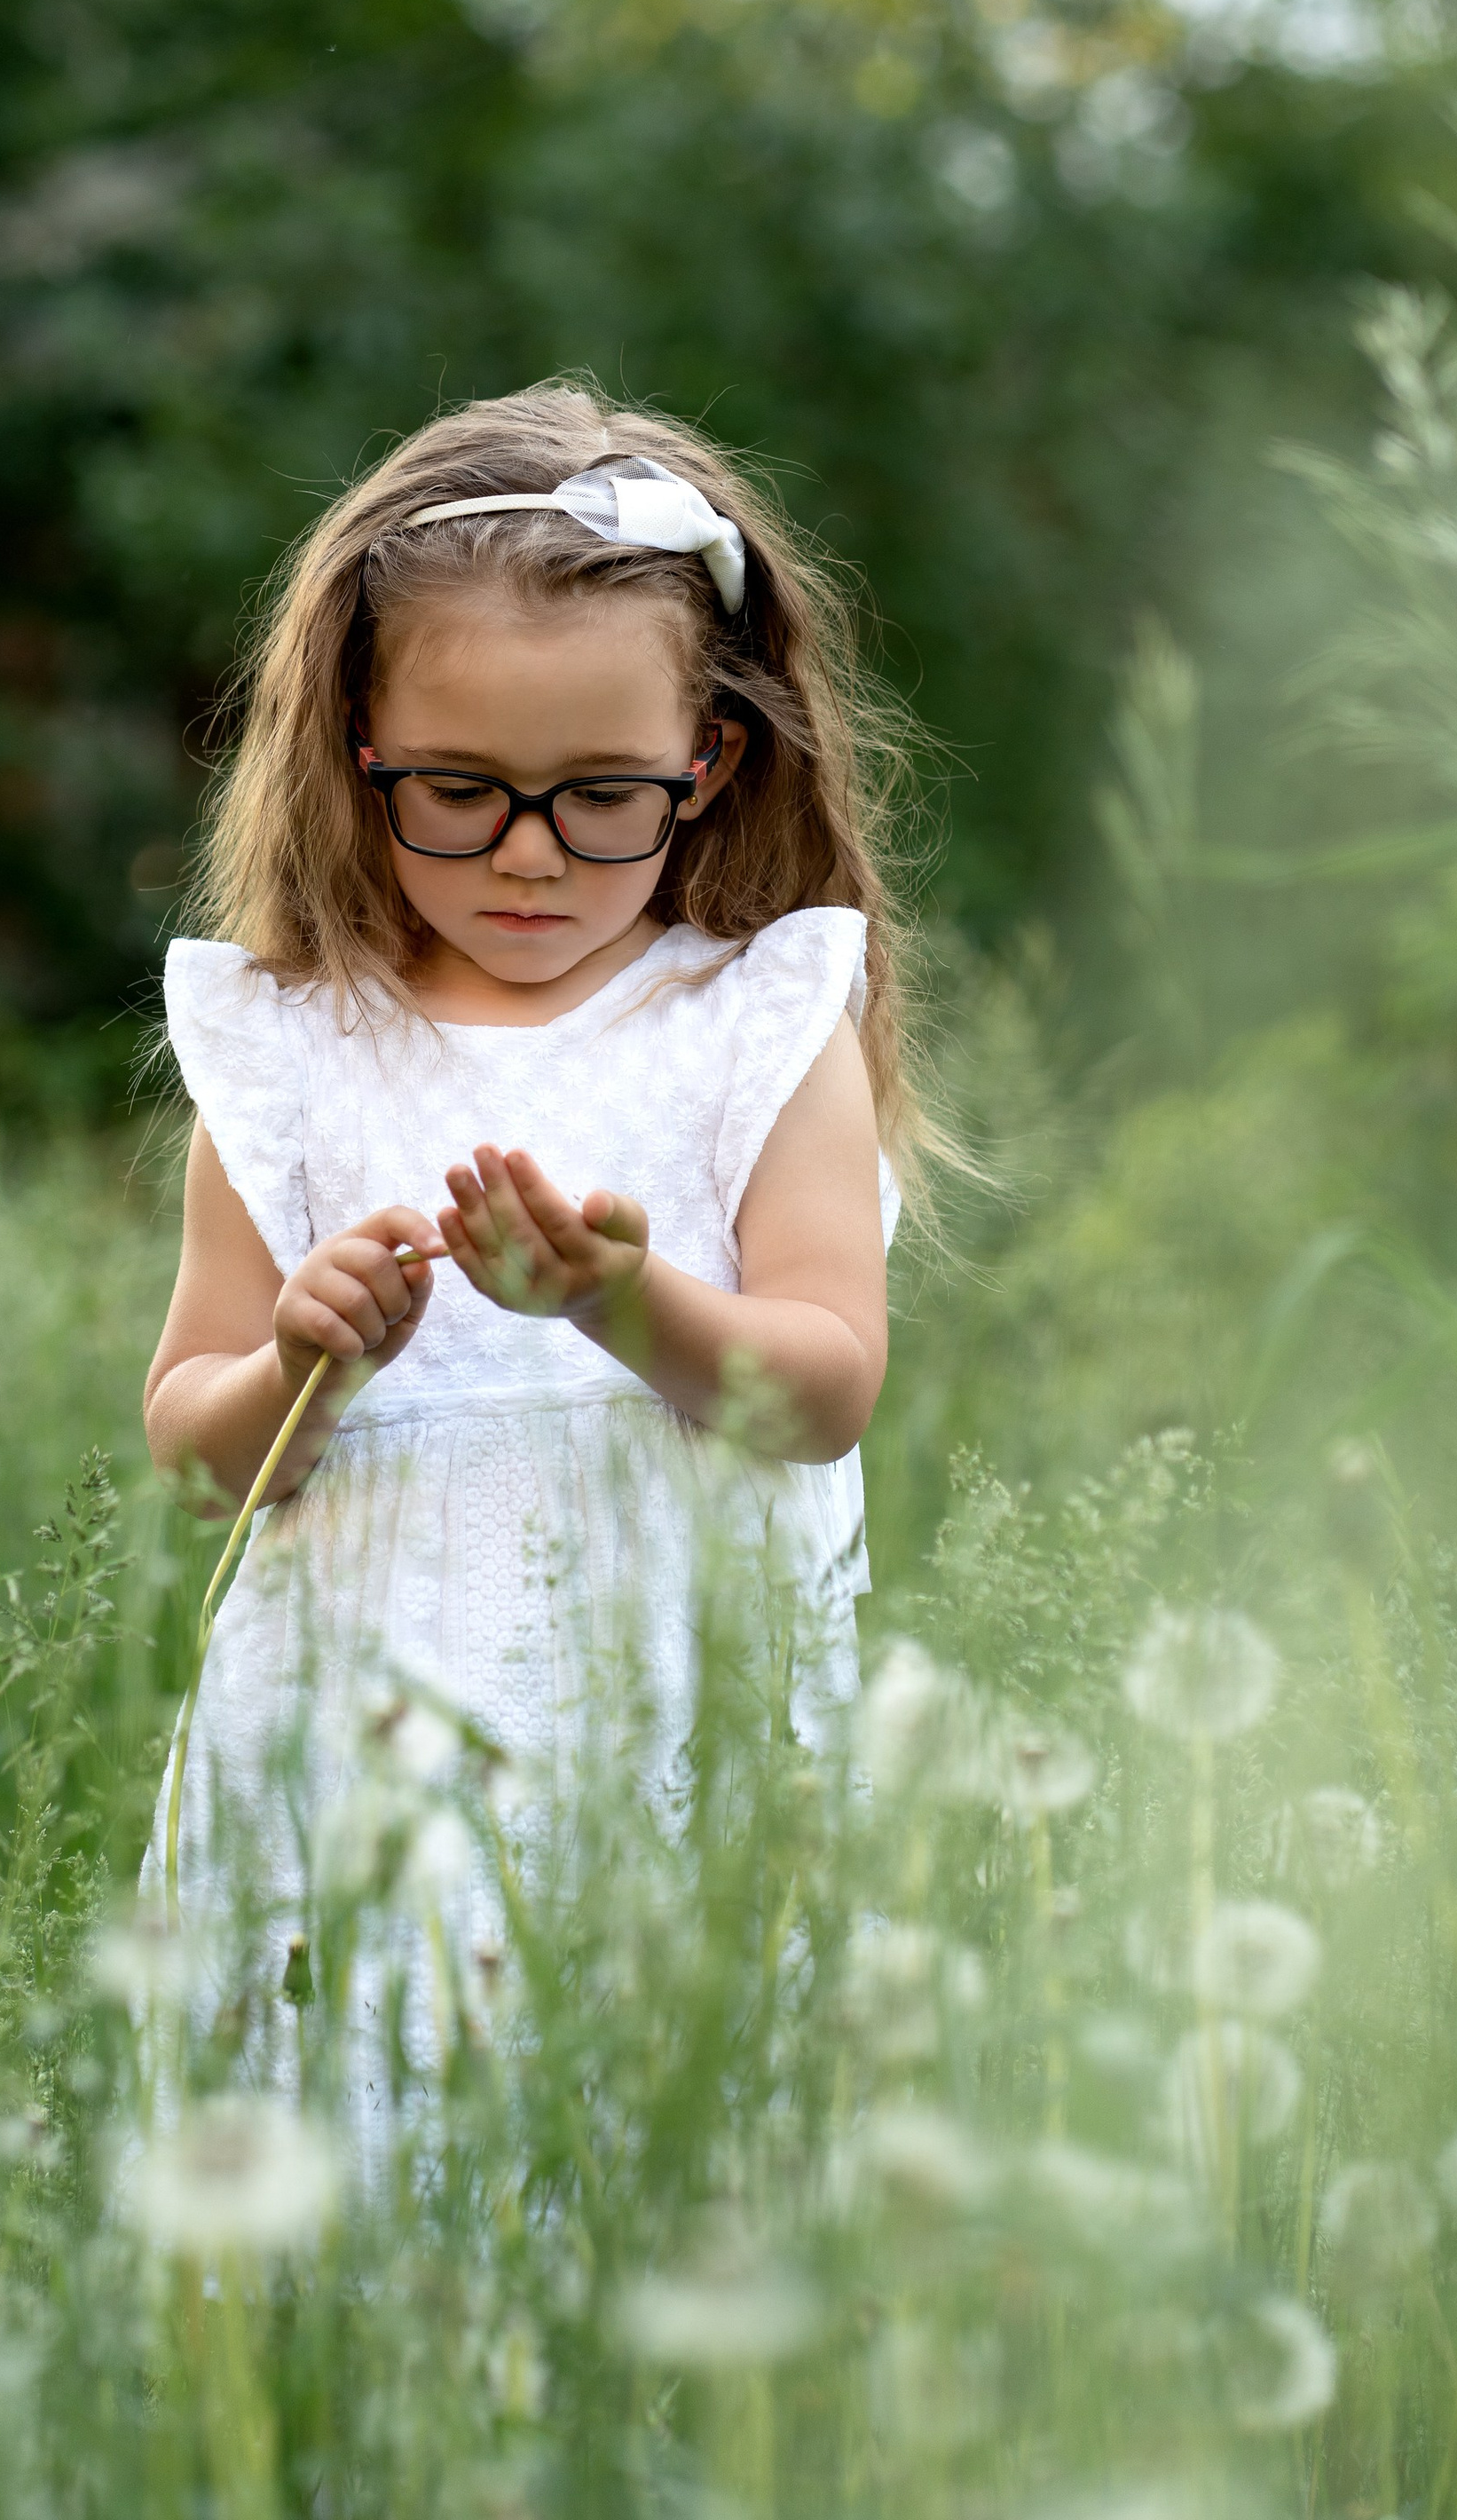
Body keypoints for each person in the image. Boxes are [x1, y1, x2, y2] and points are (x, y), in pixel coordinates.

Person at [140, 381, 931, 1999]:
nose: (527, 854)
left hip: (679, 1736)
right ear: (358, 759)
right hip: (348, 1750)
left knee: (663, 2174)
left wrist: (616, 1300)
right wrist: (303, 1363)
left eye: (600, 793)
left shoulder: (760, 1024)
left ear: (704, 763)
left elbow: (828, 1388)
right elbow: (203, 1456)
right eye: (459, 790)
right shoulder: (289, 1046)